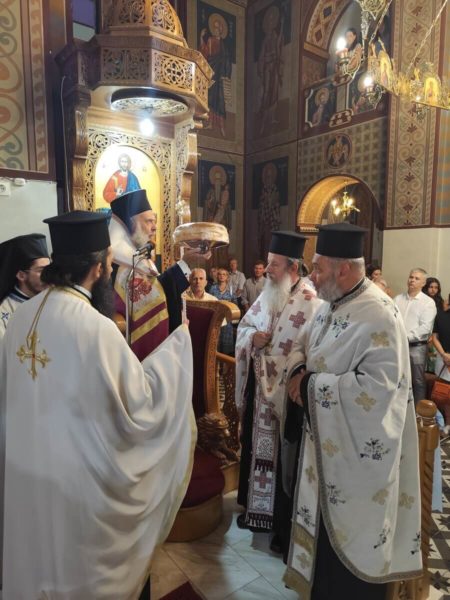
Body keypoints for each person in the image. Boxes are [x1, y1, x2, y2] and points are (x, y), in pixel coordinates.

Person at [0, 211, 195, 599]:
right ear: (97, 269)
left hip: (25, 470)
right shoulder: (95, 327)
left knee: (36, 554)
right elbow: (141, 403)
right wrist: (177, 350)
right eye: (108, 262)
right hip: (73, 481)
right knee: (71, 565)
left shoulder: (20, 317)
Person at [285, 223, 422, 600]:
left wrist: (310, 386)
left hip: (359, 467)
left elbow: (379, 391)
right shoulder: (329, 305)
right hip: (326, 452)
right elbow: (303, 345)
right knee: (323, 565)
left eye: (318, 268)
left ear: (342, 269)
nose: (312, 276)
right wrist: (298, 371)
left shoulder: (380, 314)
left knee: (348, 577)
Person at [236, 232, 322, 557]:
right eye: (269, 263)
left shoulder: (310, 301)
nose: (268, 270)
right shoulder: (268, 293)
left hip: (287, 399)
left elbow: (310, 353)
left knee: (286, 461)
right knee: (257, 451)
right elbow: (245, 326)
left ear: (293, 268)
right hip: (260, 392)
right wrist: (251, 339)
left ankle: (279, 524)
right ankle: (256, 513)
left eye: (274, 264)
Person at [109, 188, 202, 360]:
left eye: (155, 221)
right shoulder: (119, 265)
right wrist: (185, 263)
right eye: (149, 221)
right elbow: (157, 296)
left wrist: (186, 262)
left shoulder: (138, 259)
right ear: (131, 224)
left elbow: (159, 287)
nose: (154, 227)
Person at [395, 268, 437, 403]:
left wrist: (405, 337)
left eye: (417, 278)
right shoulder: (398, 299)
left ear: (423, 283)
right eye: (411, 277)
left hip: (416, 347)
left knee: (417, 380)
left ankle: (419, 412)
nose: (412, 280)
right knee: (397, 377)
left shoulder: (428, 302)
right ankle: (399, 409)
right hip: (397, 345)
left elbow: (425, 328)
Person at [0, 233, 50, 339]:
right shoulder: (4, 311)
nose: (48, 276)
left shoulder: (53, 301)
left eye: (49, 269)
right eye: (41, 270)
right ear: (21, 275)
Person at [210, 268, 238, 355]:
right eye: (220, 274)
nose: (222, 276)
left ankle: (225, 361)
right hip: (215, 319)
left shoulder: (231, 289)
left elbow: (235, 304)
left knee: (226, 346)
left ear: (227, 277)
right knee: (215, 342)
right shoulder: (213, 288)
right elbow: (210, 303)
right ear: (217, 276)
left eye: (224, 274)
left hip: (227, 320)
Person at [432, 308, 450, 432]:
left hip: (445, 358)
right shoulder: (441, 316)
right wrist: (444, 354)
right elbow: (434, 337)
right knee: (445, 395)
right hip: (443, 359)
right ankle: (447, 423)